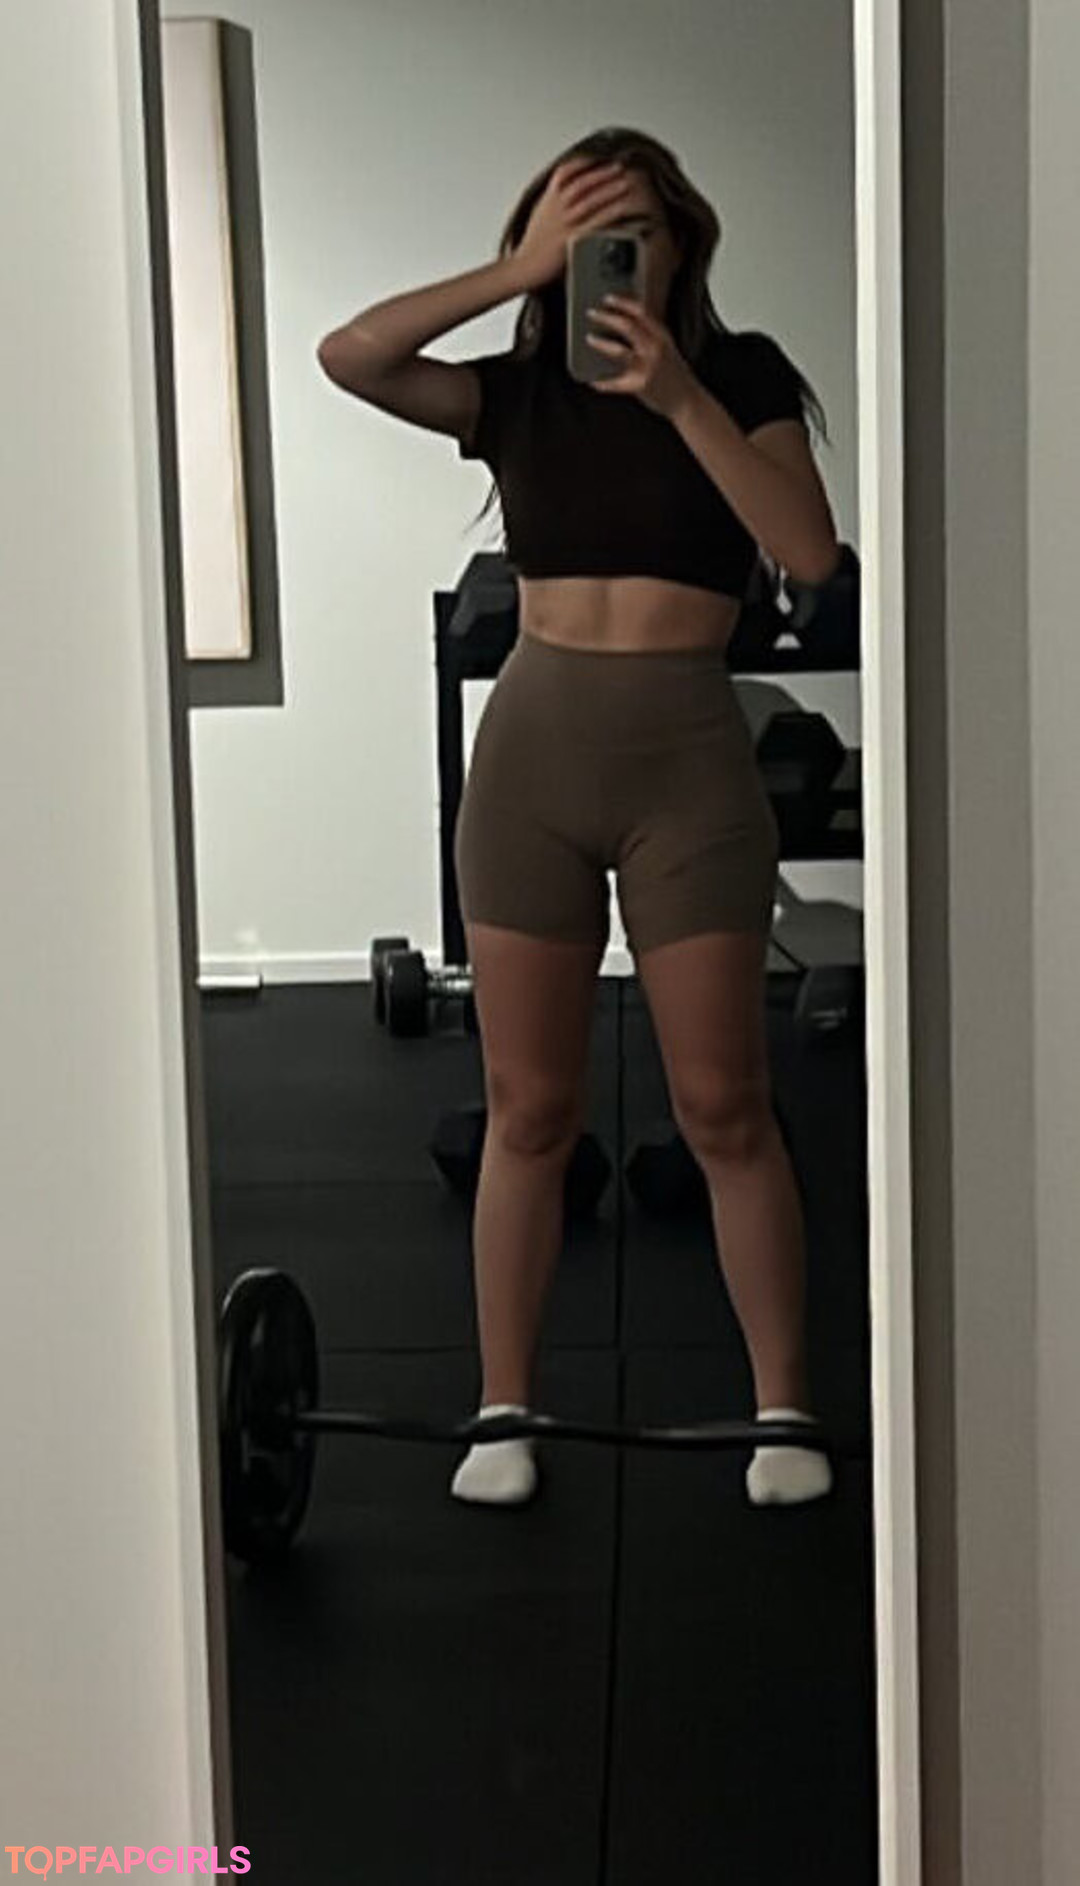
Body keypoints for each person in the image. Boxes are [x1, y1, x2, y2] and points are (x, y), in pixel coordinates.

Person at [317, 126, 842, 1511]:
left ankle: (782, 1405)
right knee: (530, 1108)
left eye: (636, 231)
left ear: (684, 246)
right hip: (533, 763)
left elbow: (805, 550)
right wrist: (515, 273)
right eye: (583, 231)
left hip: (688, 765)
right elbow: (349, 355)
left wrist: (674, 395)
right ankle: (505, 1406)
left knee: (725, 1103)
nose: (613, 255)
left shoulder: (740, 376)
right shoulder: (515, 393)